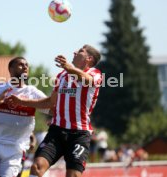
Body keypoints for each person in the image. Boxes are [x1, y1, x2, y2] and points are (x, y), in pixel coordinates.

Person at [6, 45, 102, 177]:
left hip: (79, 134)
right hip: (56, 131)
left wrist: (69, 67)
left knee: (73, 175)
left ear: (89, 58)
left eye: (80, 51)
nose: (74, 51)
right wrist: (21, 101)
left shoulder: (95, 74)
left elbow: (87, 80)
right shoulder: (62, 75)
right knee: (36, 167)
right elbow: (50, 102)